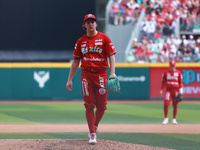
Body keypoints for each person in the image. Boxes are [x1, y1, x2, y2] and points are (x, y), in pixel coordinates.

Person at [66, 14, 116, 144]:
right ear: (84, 25)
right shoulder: (80, 41)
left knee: (102, 106)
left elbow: (111, 56)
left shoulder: (104, 38)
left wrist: (112, 73)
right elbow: (76, 61)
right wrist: (69, 79)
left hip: (101, 74)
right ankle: (92, 134)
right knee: (89, 105)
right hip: (86, 75)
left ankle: (95, 125)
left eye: (92, 21)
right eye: (87, 22)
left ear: (96, 24)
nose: (90, 24)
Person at [160, 60, 183, 125]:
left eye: (173, 66)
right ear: (169, 66)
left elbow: (181, 83)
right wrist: (161, 89)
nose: (172, 67)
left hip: (175, 90)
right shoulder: (166, 73)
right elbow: (163, 82)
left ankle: (174, 119)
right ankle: (166, 118)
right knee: (166, 103)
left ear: (175, 66)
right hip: (168, 90)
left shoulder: (178, 73)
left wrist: (181, 92)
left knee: (175, 105)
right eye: (171, 66)